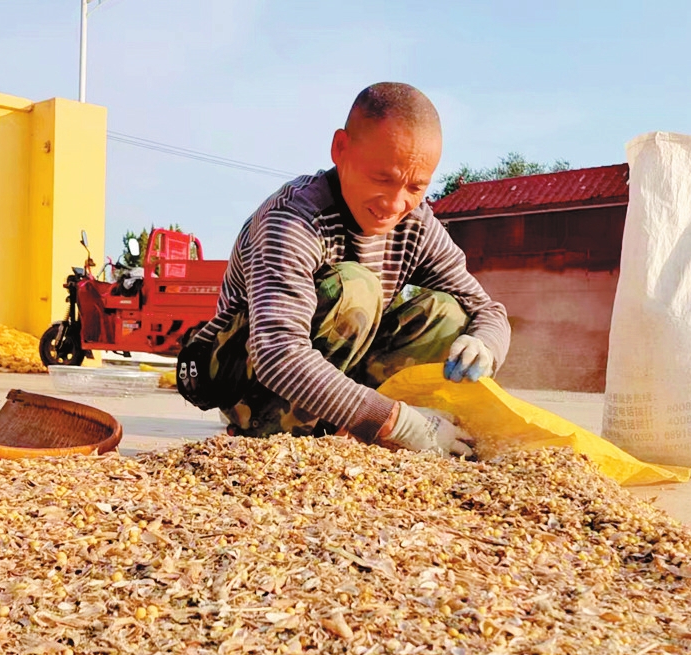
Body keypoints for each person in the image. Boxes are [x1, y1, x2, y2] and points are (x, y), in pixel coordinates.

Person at [175, 82, 510, 457]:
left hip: (337, 380)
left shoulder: (416, 224)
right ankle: (274, 432)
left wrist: (484, 345)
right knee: (356, 289)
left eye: (415, 187)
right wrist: (401, 423)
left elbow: (487, 309)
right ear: (340, 149)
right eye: (382, 178)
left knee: (447, 314)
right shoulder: (293, 220)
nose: (394, 204)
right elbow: (278, 354)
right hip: (251, 377)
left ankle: (355, 430)